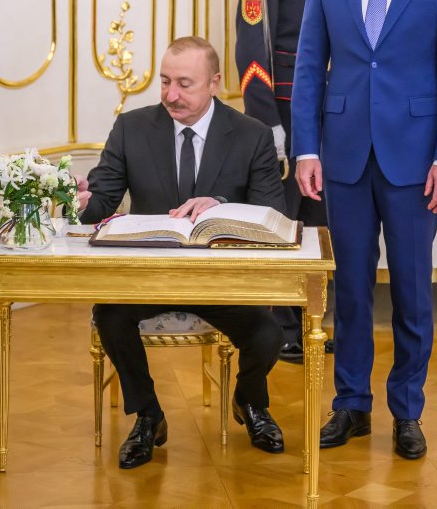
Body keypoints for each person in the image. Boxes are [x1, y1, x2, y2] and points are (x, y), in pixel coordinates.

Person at [290, 0, 437, 460]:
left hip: (415, 162)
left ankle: (407, 410)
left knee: (413, 292)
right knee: (349, 287)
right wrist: (307, 147)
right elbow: (309, 64)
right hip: (342, 156)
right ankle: (351, 404)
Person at [76, 36, 288, 469]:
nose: (171, 95)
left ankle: (249, 401)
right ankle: (148, 414)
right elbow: (101, 202)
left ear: (214, 82)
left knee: (269, 333)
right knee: (110, 315)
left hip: (219, 281)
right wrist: (80, 199)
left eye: (184, 84)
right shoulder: (131, 128)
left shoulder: (252, 135)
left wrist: (220, 205)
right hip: (150, 276)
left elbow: (272, 213)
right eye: (165, 82)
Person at [236, 0, 340, 363]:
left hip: (336, 110)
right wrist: (268, 126)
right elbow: (253, 55)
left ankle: (314, 320)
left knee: (325, 220)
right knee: (286, 219)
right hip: (288, 112)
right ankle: (280, 329)